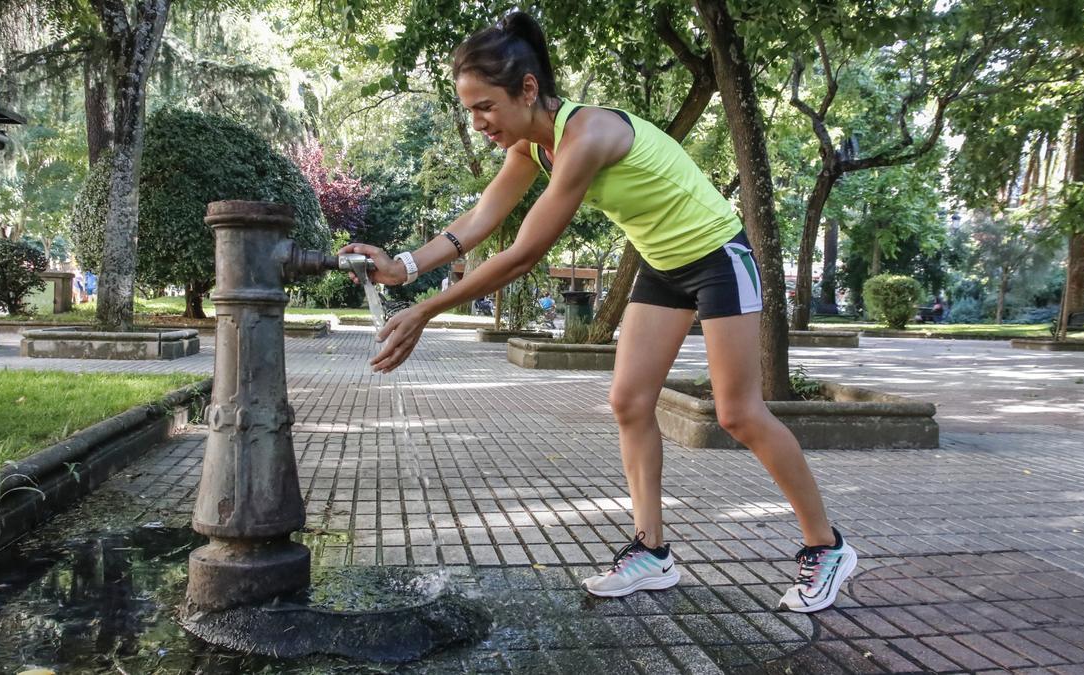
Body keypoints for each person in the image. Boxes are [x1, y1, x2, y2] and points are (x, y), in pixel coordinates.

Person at [340, 11, 855, 613]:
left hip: (718, 255)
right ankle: (652, 553)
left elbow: (525, 252)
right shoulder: (533, 145)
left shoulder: (586, 136)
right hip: (663, 264)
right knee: (628, 402)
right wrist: (403, 266)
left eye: (485, 107)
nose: (478, 123)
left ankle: (827, 547)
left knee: (738, 413)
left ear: (527, 89)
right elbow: (481, 220)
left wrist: (426, 309)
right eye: (471, 110)